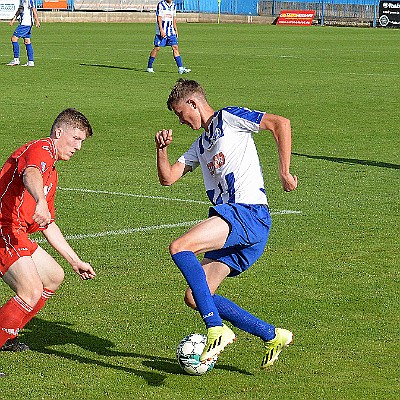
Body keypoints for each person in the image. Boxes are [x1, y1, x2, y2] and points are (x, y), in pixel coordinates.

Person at [155, 79, 298, 368]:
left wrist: (284, 171)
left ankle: (215, 329)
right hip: (237, 223)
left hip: (247, 213)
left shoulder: (228, 117)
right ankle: (273, 335)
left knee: (180, 246)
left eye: (181, 113)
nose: (181, 121)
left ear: (194, 103)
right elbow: (168, 177)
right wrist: (162, 149)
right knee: (196, 296)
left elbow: (280, 123)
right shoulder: (200, 145)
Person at [0, 109, 96, 373]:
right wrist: (39, 200)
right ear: (59, 133)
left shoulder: (52, 173)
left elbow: (48, 223)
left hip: (15, 232)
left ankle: (8, 333)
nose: (78, 147)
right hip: (3, 228)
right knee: (29, 290)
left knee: (54, 276)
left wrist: (75, 261)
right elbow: (30, 173)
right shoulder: (42, 149)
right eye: (76, 138)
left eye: (82, 142)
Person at [146, 0, 191, 74]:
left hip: (171, 32)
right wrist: (161, 30)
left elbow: (173, 18)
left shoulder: (173, 5)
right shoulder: (161, 4)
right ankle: (149, 67)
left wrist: (175, 29)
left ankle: (180, 68)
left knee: (175, 47)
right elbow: (159, 18)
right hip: (162, 31)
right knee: (157, 48)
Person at [7, 0, 40, 67]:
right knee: (27, 41)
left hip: (25, 24)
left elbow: (33, 9)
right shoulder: (22, 1)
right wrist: (13, 19)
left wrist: (37, 20)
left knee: (14, 39)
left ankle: (16, 60)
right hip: (26, 24)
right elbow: (20, 10)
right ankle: (31, 61)